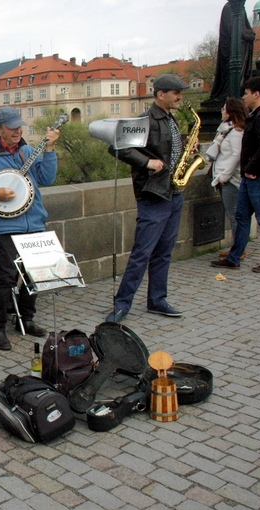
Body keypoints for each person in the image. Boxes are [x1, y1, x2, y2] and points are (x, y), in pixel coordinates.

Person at [0, 106, 60, 350]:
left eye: (19, 126)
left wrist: (49, 149)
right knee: (5, 277)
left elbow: (47, 179)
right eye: (12, 127)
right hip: (4, 227)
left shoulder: (28, 151)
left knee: (34, 273)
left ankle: (26, 319)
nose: (18, 131)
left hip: (33, 222)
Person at [105, 74, 190, 324]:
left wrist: (185, 148)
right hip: (154, 193)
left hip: (173, 192)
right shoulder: (144, 119)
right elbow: (117, 145)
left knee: (164, 252)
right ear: (160, 94)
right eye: (176, 92)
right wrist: (147, 162)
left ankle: (157, 300)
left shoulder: (170, 118)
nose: (180, 96)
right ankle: (122, 304)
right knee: (142, 253)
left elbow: (165, 148)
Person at [212, 76, 260, 273]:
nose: (244, 96)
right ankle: (234, 257)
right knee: (242, 216)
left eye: (247, 93)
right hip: (256, 177)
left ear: (256, 94)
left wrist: (251, 168)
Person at [206, 98, 247, 254]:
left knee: (234, 215)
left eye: (224, 109)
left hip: (230, 179)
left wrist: (223, 177)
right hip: (225, 177)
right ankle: (238, 249)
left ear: (231, 112)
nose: (222, 112)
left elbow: (237, 156)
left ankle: (238, 251)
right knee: (234, 215)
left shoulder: (236, 132)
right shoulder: (225, 130)